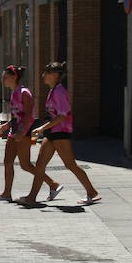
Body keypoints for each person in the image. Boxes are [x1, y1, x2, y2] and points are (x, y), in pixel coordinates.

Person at [18, 62, 99, 207]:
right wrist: (44, 129)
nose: (43, 76)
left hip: (61, 132)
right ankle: (31, 197)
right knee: (40, 166)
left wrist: (41, 128)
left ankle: (91, 191)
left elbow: (62, 115)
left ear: (55, 75)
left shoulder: (60, 91)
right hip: (51, 132)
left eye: (46, 73)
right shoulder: (53, 90)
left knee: (70, 164)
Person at [0, 65, 55, 202]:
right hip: (14, 131)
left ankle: (53, 184)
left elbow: (29, 116)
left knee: (25, 165)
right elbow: (17, 116)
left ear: (14, 77)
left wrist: (21, 133)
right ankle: (6, 193)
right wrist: (6, 126)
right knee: (7, 161)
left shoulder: (24, 92)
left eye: (5, 77)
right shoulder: (14, 92)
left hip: (25, 132)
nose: (2, 79)